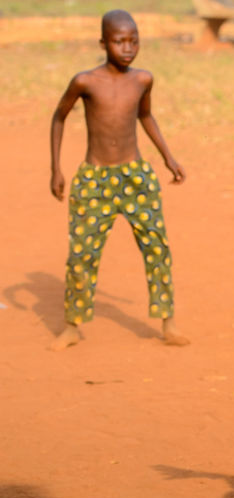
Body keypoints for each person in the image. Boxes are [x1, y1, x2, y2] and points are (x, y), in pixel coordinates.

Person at [48, 10, 189, 350]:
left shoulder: (142, 80)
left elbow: (145, 115)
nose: (127, 48)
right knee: (81, 255)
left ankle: (168, 322)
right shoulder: (84, 81)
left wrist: (168, 157)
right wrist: (55, 168)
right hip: (94, 180)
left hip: (137, 177)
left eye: (133, 41)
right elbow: (58, 117)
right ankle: (71, 326)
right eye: (119, 41)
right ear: (103, 42)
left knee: (157, 247)